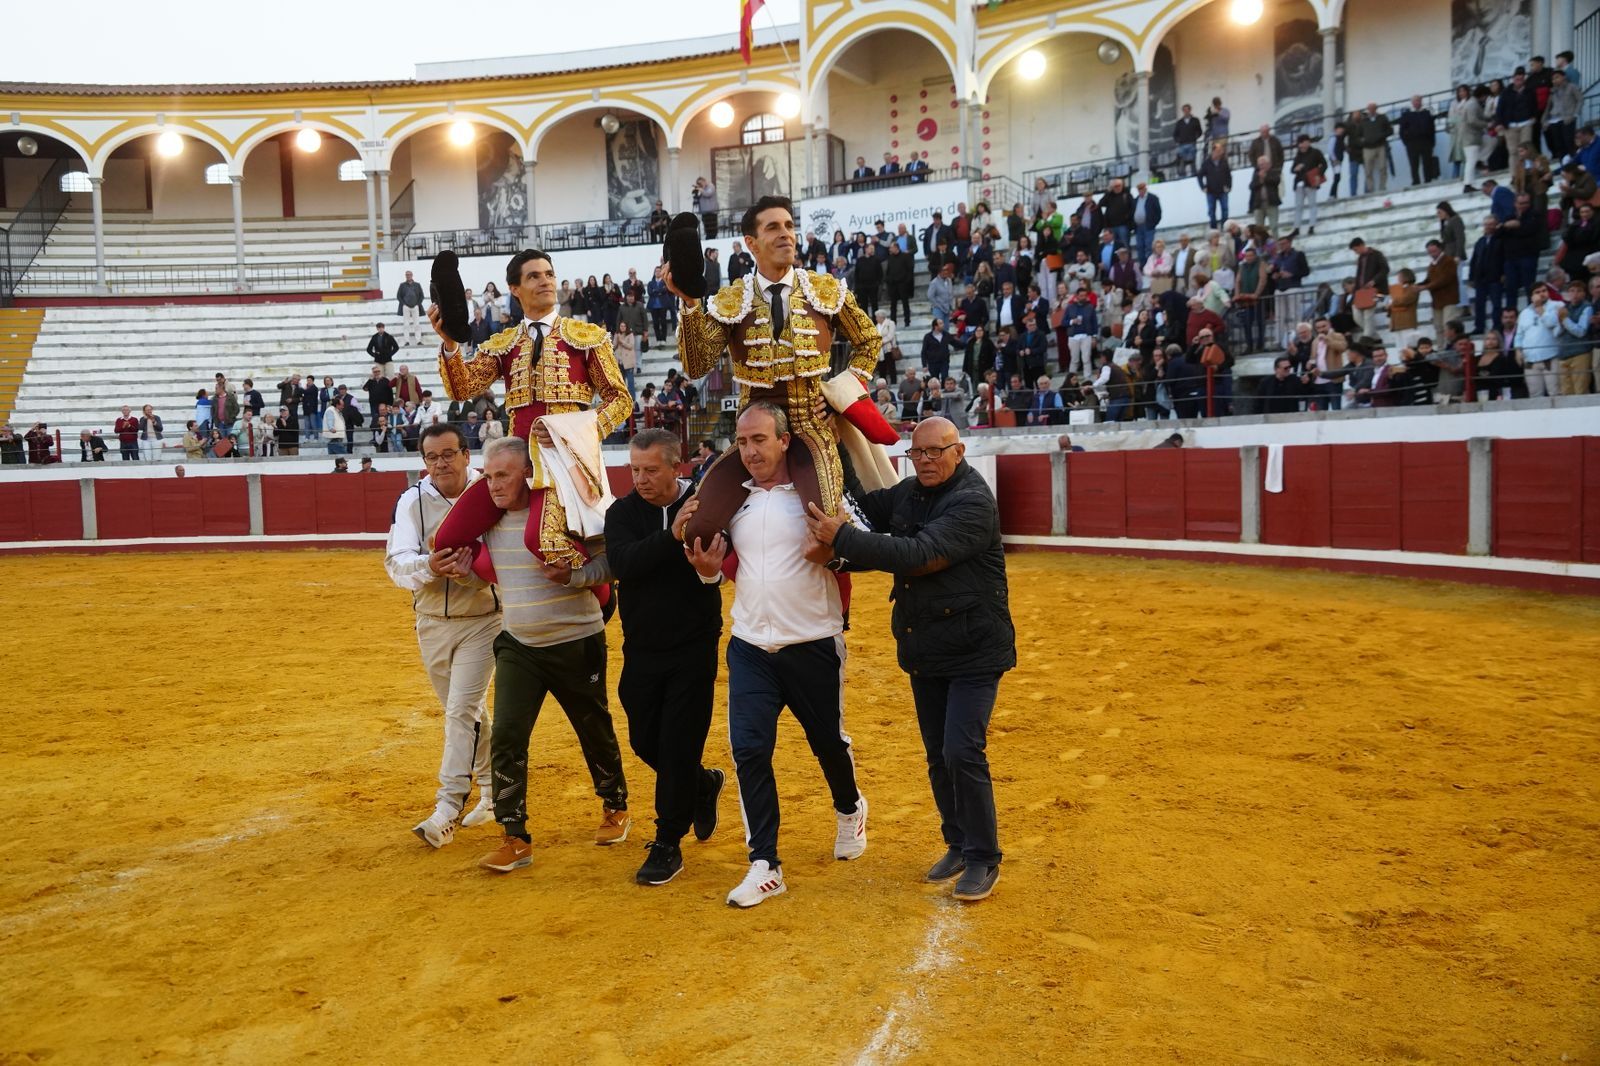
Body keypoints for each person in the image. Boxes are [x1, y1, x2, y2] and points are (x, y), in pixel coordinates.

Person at [803, 416, 1013, 900]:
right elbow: (861, 504)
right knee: (939, 756)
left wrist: (842, 542)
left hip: (976, 649)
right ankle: (958, 843)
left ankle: (983, 857)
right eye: (917, 453)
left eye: (935, 452)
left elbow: (920, 553)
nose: (925, 461)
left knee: (962, 751)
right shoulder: (909, 492)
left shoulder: (974, 502)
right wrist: (833, 444)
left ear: (959, 452)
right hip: (926, 645)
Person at [679, 403, 868, 908]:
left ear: (785, 441)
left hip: (813, 640)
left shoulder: (820, 493)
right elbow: (720, 566)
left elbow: (866, 543)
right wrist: (706, 571)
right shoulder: (730, 501)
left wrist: (837, 548)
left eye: (760, 440)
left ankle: (849, 807)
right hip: (749, 645)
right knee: (748, 751)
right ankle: (765, 863)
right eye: (742, 442)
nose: (750, 451)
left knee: (827, 741)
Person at [667, 195, 882, 548]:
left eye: (789, 226)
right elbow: (697, 366)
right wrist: (690, 304)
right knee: (695, 530)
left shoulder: (824, 290)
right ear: (751, 243)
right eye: (773, 227)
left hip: (811, 425)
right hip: (753, 432)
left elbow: (870, 341)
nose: (786, 234)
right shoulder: (731, 299)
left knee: (829, 530)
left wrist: (839, 397)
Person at [430, 249, 630, 602]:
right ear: (515, 288)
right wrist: (448, 344)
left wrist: (568, 432)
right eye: (534, 276)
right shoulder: (505, 343)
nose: (546, 281)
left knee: (545, 541)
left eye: (549, 274)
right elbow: (463, 388)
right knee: (447, 540)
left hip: (564, 465)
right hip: (515, 464)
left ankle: (600, 594)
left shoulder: (586, 337)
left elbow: (620, 400)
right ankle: (510, 583)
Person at [472, 437, 632, 873]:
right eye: (487, 476)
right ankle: (514, 836)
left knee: (592, 727)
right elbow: (479, 564)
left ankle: (615, 804)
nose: (493, 485)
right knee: (506, 735)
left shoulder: (569, 512)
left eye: (502, 474)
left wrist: (576, 576)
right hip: (519, 644)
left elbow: (612, 562)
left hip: (576, 639)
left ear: (529, 472)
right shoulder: (485, 520)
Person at [604, 429, 728, 886]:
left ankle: (668, 841)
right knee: (644, 741)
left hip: (694, 646)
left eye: (651, 470)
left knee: (677, 743)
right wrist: (671, 538)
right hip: (641, 648)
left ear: (677, 467)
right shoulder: (622, 512)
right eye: (635, 469)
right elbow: (622, 564)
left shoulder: (706, 503)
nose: (641, 478)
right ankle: (701, 783)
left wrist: (708, 570)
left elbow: (722, 561)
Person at [385, 423, 501, 848]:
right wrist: (430, 568)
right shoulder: (412, 500)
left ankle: (447, 807)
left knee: (460, 711)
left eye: (448, 454)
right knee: (469, 714)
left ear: (466, 455)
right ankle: (490, 792)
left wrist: (471, 575)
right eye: (432, 457)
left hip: (484, 619)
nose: (440, 464)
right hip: (431, 621)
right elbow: (396, 564)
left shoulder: (490, 492)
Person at [1199, 141, 1232, 228]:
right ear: (1213, 151)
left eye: (1221, 150)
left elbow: (1229, 175)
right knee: (1211, 211)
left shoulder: (1224, 162)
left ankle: (1224, 227)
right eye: (1219, 150)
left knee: (1225, 210)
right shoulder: (1206, 163)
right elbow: (1200, 176)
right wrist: (1203, 187)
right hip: (1211, 191)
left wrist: (1229, 186)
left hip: (1222, 191)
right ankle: (1214, 229)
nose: (1221, 152)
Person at [396, 271, 426, 346]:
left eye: (409, 275)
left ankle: (418, 340)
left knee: (417, 324)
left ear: (412, 275)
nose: (408, 276)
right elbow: (398, 296)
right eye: (407, 275)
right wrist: (404, 304)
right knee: (406, 325)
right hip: (406, 307)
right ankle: (406, 341)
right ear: (405, 276)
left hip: (415, 306)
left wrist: (417, 304)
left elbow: (421, 296)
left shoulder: (417, 285)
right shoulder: (402, 285)